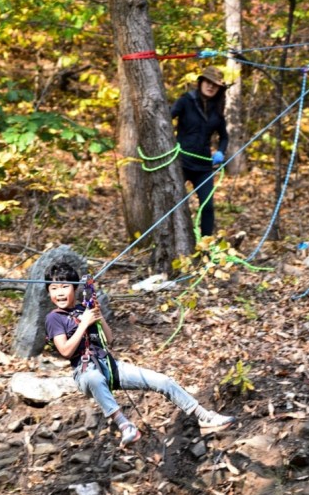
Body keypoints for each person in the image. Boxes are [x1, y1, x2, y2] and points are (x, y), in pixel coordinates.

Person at [43, 262, 236, 445]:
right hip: (85, 371)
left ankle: (204, 416)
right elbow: (66, 351)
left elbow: (108, 340)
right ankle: (124, 425)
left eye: (64, 287)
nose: (59, 293)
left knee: (163, 381)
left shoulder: (83, 309)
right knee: (94, 378)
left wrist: (98, 318)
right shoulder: (54, 318)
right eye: (53, 288)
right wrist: (83, 323)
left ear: (75, 288)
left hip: (109, 365)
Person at [171, 65, 229, 237]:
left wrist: (220, 152)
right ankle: (173, 240)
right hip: (181, 162)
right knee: (174, 203)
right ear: (201, 82)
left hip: (203, 166)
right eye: (208, 82)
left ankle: (206, 245)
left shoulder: (217, 111)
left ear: (219, 89)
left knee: (208, 206)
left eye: (215, 84)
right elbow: (167, 118)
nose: (211, 86)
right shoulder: (185, 101)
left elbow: (224, 137)